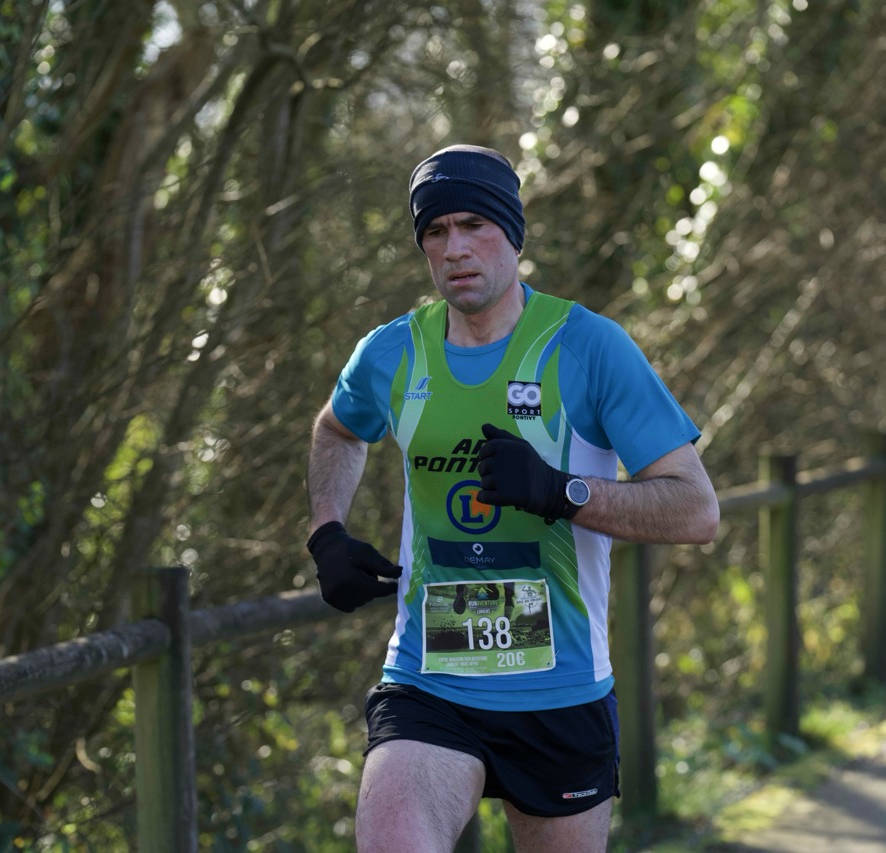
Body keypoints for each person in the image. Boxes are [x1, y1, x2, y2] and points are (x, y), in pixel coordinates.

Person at [306, 144, 719, 853]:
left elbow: (696, 510)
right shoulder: (391, 353)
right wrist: (326, 532)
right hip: (429, 680)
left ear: (514, 233)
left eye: (474, 225)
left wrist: (561, 491)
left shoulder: (589, 347)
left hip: (561, 691)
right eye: (436, 232)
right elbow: (337, 429)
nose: (455, 248)